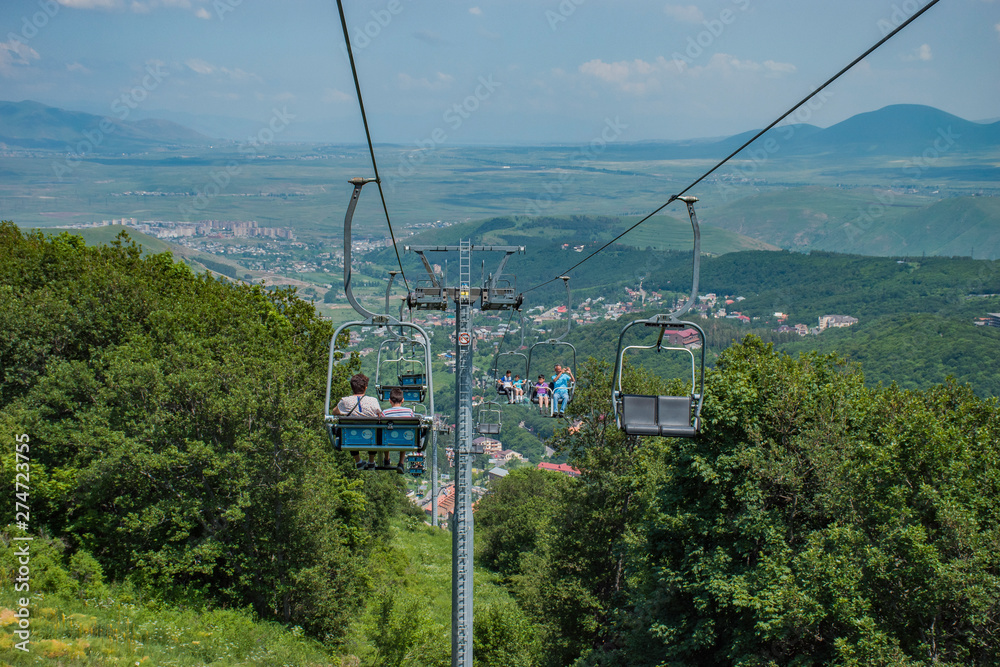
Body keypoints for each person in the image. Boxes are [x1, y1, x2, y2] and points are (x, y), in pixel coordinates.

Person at [332, 373, 383, 469]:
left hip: (352, 436)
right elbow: (379, 415)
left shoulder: (345, 401)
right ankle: (371, 460)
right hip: (370, 435)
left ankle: (358, 460)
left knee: (348, 429)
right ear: (365, 388)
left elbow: (334, 412)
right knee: (376, 427)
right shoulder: (373, 401)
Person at [381, 387, 414, 474]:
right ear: (402, 400)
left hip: (388, 440)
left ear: (389, 400)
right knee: (404, 434)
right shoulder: (409, 412)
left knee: (385, 434)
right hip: (404, 440)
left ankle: (387, 459)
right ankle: (401, 463)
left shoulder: (385, 413)